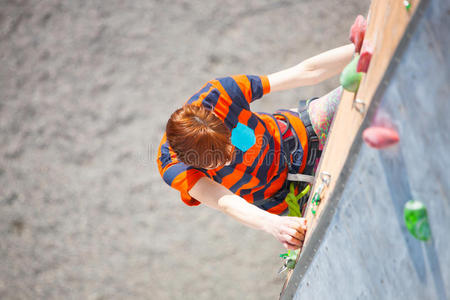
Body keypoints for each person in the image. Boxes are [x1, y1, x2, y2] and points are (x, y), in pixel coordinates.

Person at [157, 44, 355, 250]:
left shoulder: (220, 94)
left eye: (229, 147)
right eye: (218, 162)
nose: (229, 158)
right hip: (292, 198)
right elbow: (224, 201)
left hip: (306, 133)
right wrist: (274, 224)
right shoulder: (172, 166)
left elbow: (307, 71)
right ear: (190, 160)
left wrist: (360, 45)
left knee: (357, 86)